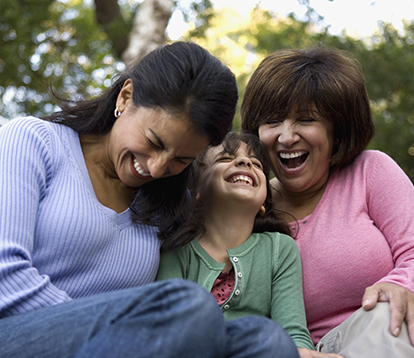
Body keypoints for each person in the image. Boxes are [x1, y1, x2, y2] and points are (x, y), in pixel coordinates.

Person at [0, 41, 288, 358]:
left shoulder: (165, 206)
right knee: (189, 307)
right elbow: (5, 278)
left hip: (120, 346)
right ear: (126, 97)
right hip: (15, 335)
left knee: (263, 340)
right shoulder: (33, 140)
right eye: (153, 141)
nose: (156, 167)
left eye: (181, 159)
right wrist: (125, 329)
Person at [241, 46, 414, 358]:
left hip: (384, 335)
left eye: (305, 119)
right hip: (290, 352)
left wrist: (402, 285)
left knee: (390, 313)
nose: (286, 136)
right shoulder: (246, 202)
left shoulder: (370, 172)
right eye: (272, 121)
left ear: (337, 131)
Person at [157, 131, 315, 356]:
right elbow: (165, 327)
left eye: (256, 163)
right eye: (224, 159)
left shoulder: (280, 249)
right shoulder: (177, 246)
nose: (244, 162)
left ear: (263, 202)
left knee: (269, 334)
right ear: (197, 191)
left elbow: (293, 333)